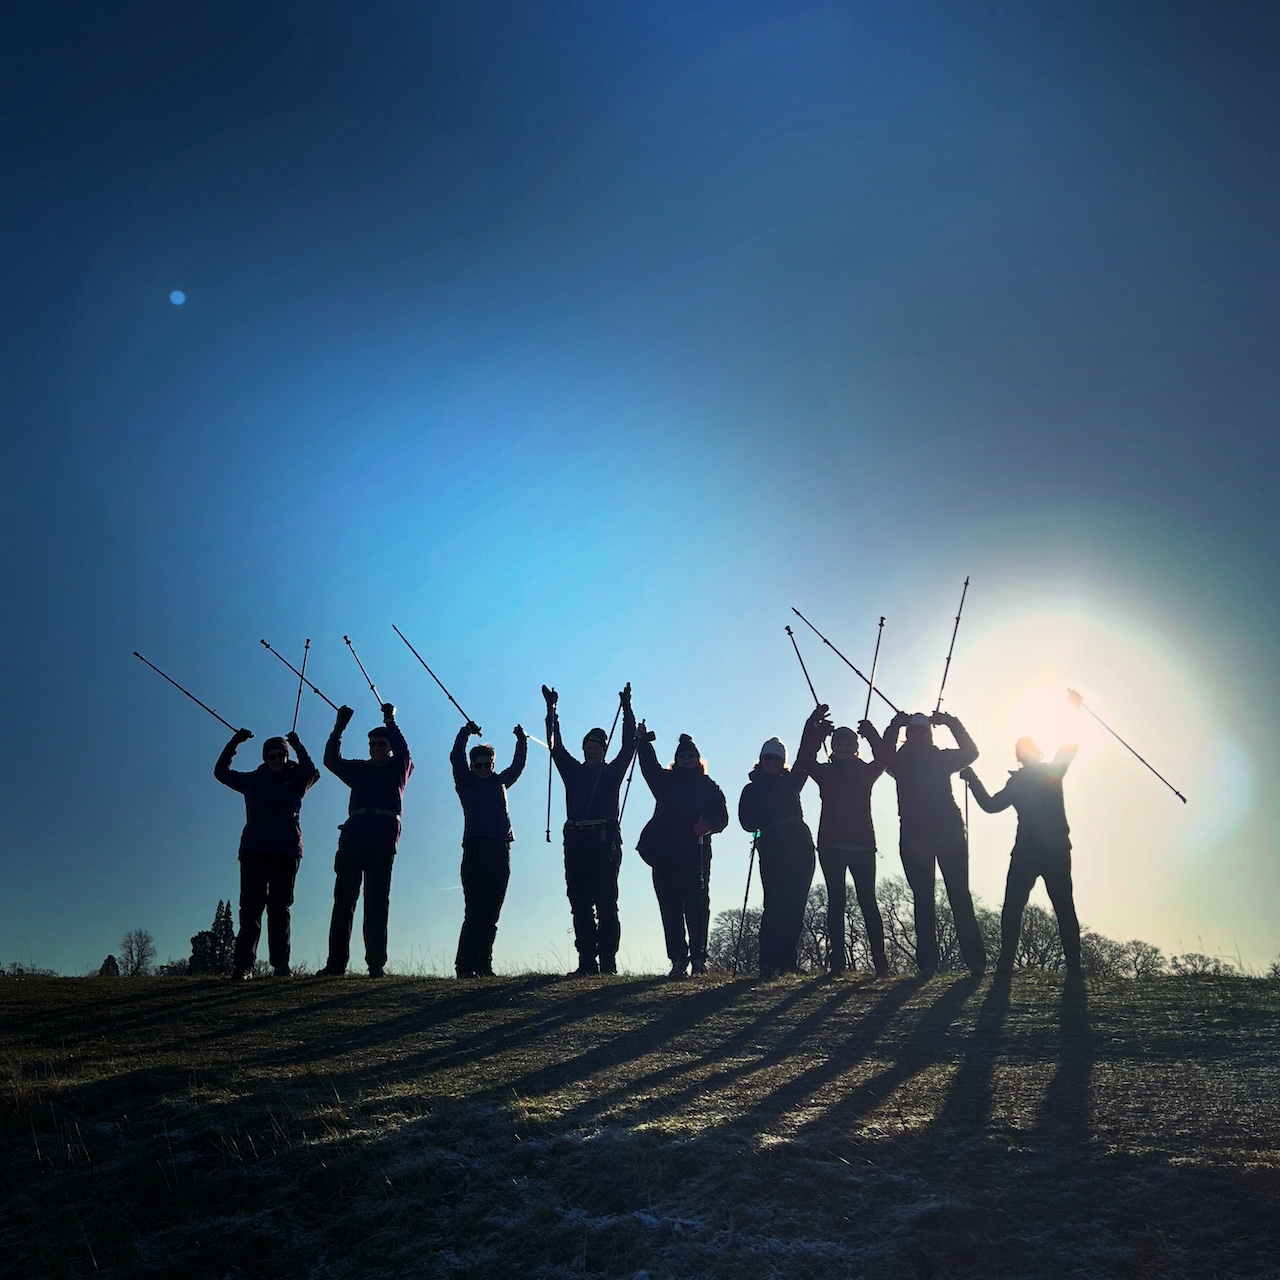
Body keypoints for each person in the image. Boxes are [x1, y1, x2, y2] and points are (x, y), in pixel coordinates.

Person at [961, 738, 1081, 974]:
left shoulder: (1020, 782)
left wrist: (973, 780)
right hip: (1054, 849)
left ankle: (1006, 962)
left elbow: (990, 805)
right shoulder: (1051, 771)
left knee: (1014, 908)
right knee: (1063, 906)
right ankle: (1074, 966)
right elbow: (1070, 747)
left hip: (1028, 850)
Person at [881, 709, 985, 977]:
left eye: (922, 730)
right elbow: (883, 755)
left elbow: (972, 752)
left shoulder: (940, 758)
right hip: (917, 834)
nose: (917, 734)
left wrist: (952, 721)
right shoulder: (900, 761)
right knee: (923, 898)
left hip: (946, 830)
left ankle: (975, 960)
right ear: (908, 734)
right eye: (913, 730)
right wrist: (894, 725)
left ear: (928, 734)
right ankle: (928, 963)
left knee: (959, 894)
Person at [545, 682, 636, 976]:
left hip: (604, 844)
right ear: (584, 750)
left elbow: (629, 746)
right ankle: (587, 963)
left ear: (602, 750)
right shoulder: (573, 772)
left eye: (597, 748)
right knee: (580, 904)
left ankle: (607, 963)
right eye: (588, 747)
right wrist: (552, 710)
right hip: (576, 844)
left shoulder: (611, 773)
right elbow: (555, 747)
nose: (592, 751)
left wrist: (627, 708)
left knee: (607, 903)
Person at [214, 727, 320, 979]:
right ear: (265, 758)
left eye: (280, 756)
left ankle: (280, 966)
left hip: (286, 850)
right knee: (250, 908)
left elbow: (311, 770)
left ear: (286, 757)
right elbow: (221, 772)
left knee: (280, 908)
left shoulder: (297, 780)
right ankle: (244, 966)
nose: (275, 760)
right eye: (271, 756)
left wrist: (297, 744)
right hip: (254, 849)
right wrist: (235, 742)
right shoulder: (252, 779)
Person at [318, 702, 413, 978]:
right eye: (372, 744)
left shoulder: (399, 767)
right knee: (343, 902)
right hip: (353, 838)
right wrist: (340, 726)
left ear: (389, 746)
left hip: (382, 841)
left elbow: (404, 749)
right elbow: (331, 760)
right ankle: (336, 965)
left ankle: (375, 965)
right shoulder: (360, 770)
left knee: (376, 902)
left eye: (381, 743)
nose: (376, 747)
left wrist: (390, 721)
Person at [793, 704, 889, 976]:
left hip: (862, 845)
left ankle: (880, 961)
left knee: (868, 900)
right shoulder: (825, 772)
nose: (845, 746)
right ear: (833, 746)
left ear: (855, 746)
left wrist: (870, 732)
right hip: (832, 846)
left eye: (849, 743)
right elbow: (803, 759)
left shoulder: (866, 771)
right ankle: (837, 962)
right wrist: (817, 731)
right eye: (839, 742)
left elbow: (884, 758)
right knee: (837, 901)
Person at [634, 729, 729, 978]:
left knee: (697, 907)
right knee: (670, 907)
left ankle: (698, 958)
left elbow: (722, 816)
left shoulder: (709, 787)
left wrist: (709, 824)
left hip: (695, 855)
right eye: (682, 755)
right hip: (665, 855)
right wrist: (643, 742)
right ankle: (678, 960)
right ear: (676, 759)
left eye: (691, 755)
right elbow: (648, 766)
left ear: (698, 759)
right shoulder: (664, 781)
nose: (686, 758)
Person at [737, 720, 822, 979]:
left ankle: (787, 961)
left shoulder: (792, 781)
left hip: (799, 843)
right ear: (761, 759)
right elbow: (746, 821)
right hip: (773, 845)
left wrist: (812, 727)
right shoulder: (751, 789)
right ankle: (768, 963)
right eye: (768, 757)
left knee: (796, 905)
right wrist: (760, 821)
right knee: (774, 905)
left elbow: (804, 756)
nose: (772, 762)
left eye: (776, 758)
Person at [451, 720, 528, 978]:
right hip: (475, 849)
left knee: (492, 911)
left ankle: (483, 964)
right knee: (475, 911)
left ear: (493, 764)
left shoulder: (500, 782)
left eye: (487, 764)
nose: (483, 769)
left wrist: (521, 740)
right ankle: (465, 966)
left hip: (500, 850)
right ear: (472, 766)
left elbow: (517, 768)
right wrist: (465, 732)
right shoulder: (465, 781)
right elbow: (456, 757)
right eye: (478, 765)